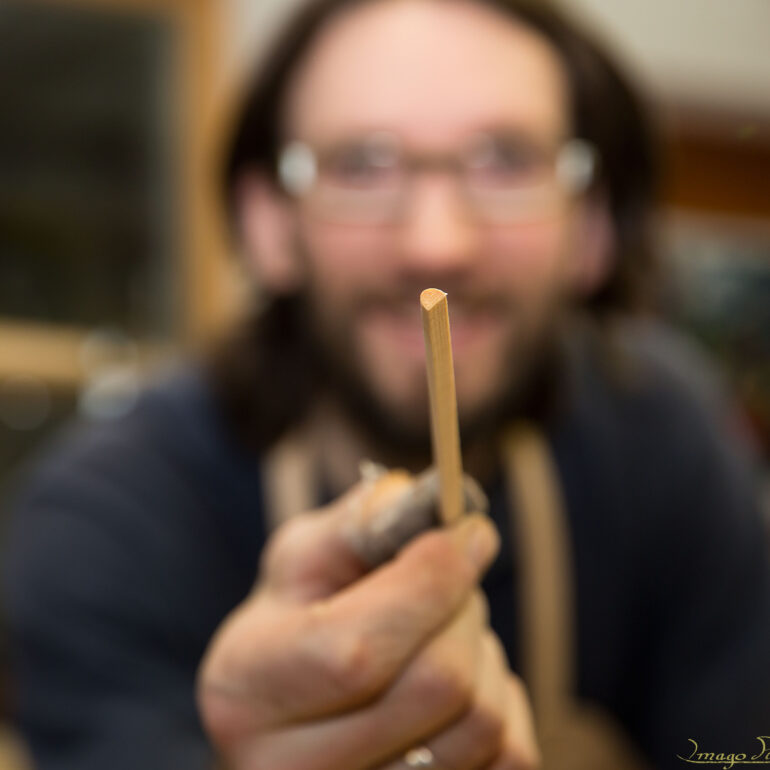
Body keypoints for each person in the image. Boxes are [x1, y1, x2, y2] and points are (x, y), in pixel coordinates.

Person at [4, 0, 770, 768]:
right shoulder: (109, 520)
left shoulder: (668, 444)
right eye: (362, 166)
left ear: (593, 226)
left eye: (506, 161)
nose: (436, 246)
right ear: (269, 223)